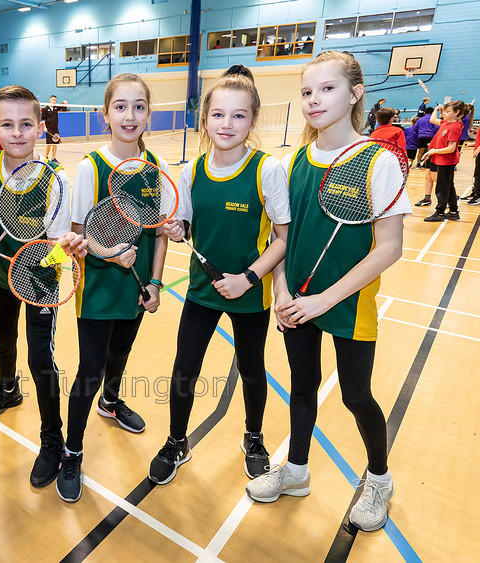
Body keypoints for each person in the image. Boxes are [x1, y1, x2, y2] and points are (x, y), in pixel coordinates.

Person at [245, 50, 411, 533]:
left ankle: (378, 479)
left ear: (355, 93)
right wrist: (280, 289)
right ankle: (295, 471)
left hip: (347, 303)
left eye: (327, 88)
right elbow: (284, 237)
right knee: (301, 387)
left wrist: (325, 299)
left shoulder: (377, 161)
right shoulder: (293, 161)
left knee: (356, 396)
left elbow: (390, 247)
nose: (314, 100)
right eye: (306, 91)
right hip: (297, 300)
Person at [148, 65, 290, 486]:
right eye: (218, 115)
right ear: (205, 118)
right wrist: (176, 230)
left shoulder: (267, 170)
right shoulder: (191, 171)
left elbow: (283, 239)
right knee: (184, 369)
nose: (227, 124)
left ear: (253, 119)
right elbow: (186, 228)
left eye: (238, 115)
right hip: (201, 291)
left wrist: (248, 277)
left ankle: (254, 437)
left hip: (249, 293)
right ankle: (177, 441)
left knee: (252, 370)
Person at [56, 73, 167, 503]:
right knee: (89, 370)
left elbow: (158, 234)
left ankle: (112, 402)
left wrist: (155, 283)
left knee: (120, 355)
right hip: (99, 288)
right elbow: (79, 237)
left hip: (136, 288)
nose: (130, 115)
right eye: (120, 106)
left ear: (148, 114)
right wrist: (109, 253)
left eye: (139, 106)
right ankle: (72, 451)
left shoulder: (155, 167)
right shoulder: (91, 168)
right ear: (106, 115)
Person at [0, 84, 84, 487]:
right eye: (7, 124)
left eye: (25, 124)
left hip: (39, 280)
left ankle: (52, 439)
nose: (17, 133)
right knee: (2, 339)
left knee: (41, 360)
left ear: (40, 127)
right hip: (0, 276)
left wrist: (57, 254)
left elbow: (58, 244)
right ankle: (6, 390)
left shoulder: (55, 179)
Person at [422, 100, 466, 222]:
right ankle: (453, 212)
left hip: (447, 161)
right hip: (441, 159)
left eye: (448, 111)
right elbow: (432, 120)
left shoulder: (455, 126)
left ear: (458, 113)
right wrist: (437, 110)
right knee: (448, 186)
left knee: (442, 187)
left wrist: (433, 151)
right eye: (445, 111)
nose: (445, 114)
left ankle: (440, 212)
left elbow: (451, 148)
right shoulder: (445, 123)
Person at [414, 107, 438, 204]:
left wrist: (420, 133)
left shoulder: (420, 119)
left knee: (420, 151)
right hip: (430, 138)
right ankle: (426, 163)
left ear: (424, 112)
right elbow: (436, 129)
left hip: (421, 136)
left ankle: (419, 163)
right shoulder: (433, 120)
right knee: (429, 153)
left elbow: (415, 128)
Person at [41, 94, 68, 163]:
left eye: (55, 100)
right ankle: (46, 157)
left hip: (55, 128)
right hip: (49, 128)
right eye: (53, 100)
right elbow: (42, 119)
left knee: (55, 144)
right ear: (50, 100)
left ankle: (53, 158)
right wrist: (44, 127)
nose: (54, 101)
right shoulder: (45, 109)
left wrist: (65, 104)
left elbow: (64, 109)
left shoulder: (56, 108)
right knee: (49, 144)